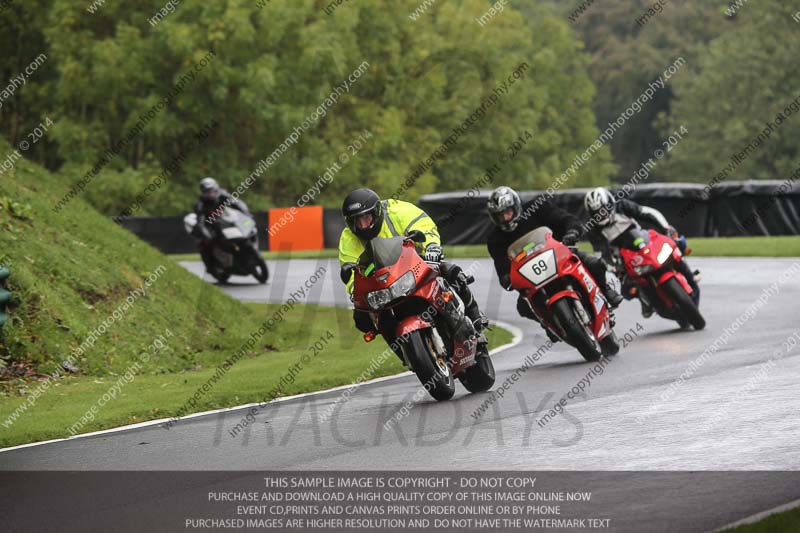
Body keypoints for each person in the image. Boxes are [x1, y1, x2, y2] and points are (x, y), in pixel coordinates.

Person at [338, 188, 488, 358]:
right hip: (383, 284)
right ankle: (405, 354)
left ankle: (476, 319)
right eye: (356, 221)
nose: (362, 225)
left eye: (366, 218)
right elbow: (350, 271)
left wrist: (431, 247)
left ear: (377, 212)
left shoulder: (396, 210)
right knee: (363, 319)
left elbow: (424, 226)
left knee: (451, 272)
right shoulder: (348, 238)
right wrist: (356, 291)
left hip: (416, 262)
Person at [485, 186, 622, 342]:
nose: (505, 218)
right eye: (500, 216)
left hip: (560, 254)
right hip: (531, 275)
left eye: (507, 212)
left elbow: (566, 219)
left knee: (594, 263)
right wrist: (506, 278)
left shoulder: (537, 208)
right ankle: (549, 323)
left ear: (516, 207)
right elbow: (501, 266)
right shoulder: (495, 239)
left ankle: (606, 292)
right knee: (523, 307)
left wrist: (572, 232)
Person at [583, 187, 699, 317]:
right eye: (597, 213)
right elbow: (600, 253)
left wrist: (666, 227)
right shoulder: (593, 229)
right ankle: (644, 299)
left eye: (603, 210)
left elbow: (648, 213)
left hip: (643, 240)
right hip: (622, 256)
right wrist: (610, 267)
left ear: (609, 203)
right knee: (626, 289)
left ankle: (689, 274)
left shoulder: (622, 206)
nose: (601, 214)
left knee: (675, 245)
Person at [193, 177, 250, 276]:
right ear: (203, 192)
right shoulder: (200, 204)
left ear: (216, 188)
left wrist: (246, 213)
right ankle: (211, 267)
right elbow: (200, 223)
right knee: (203, 243)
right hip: (210, 225)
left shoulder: (223, 195)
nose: (210, 193)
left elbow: (237, 203)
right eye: (207, 192)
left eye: (212, 190)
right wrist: (206, 234)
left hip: (226, 220)